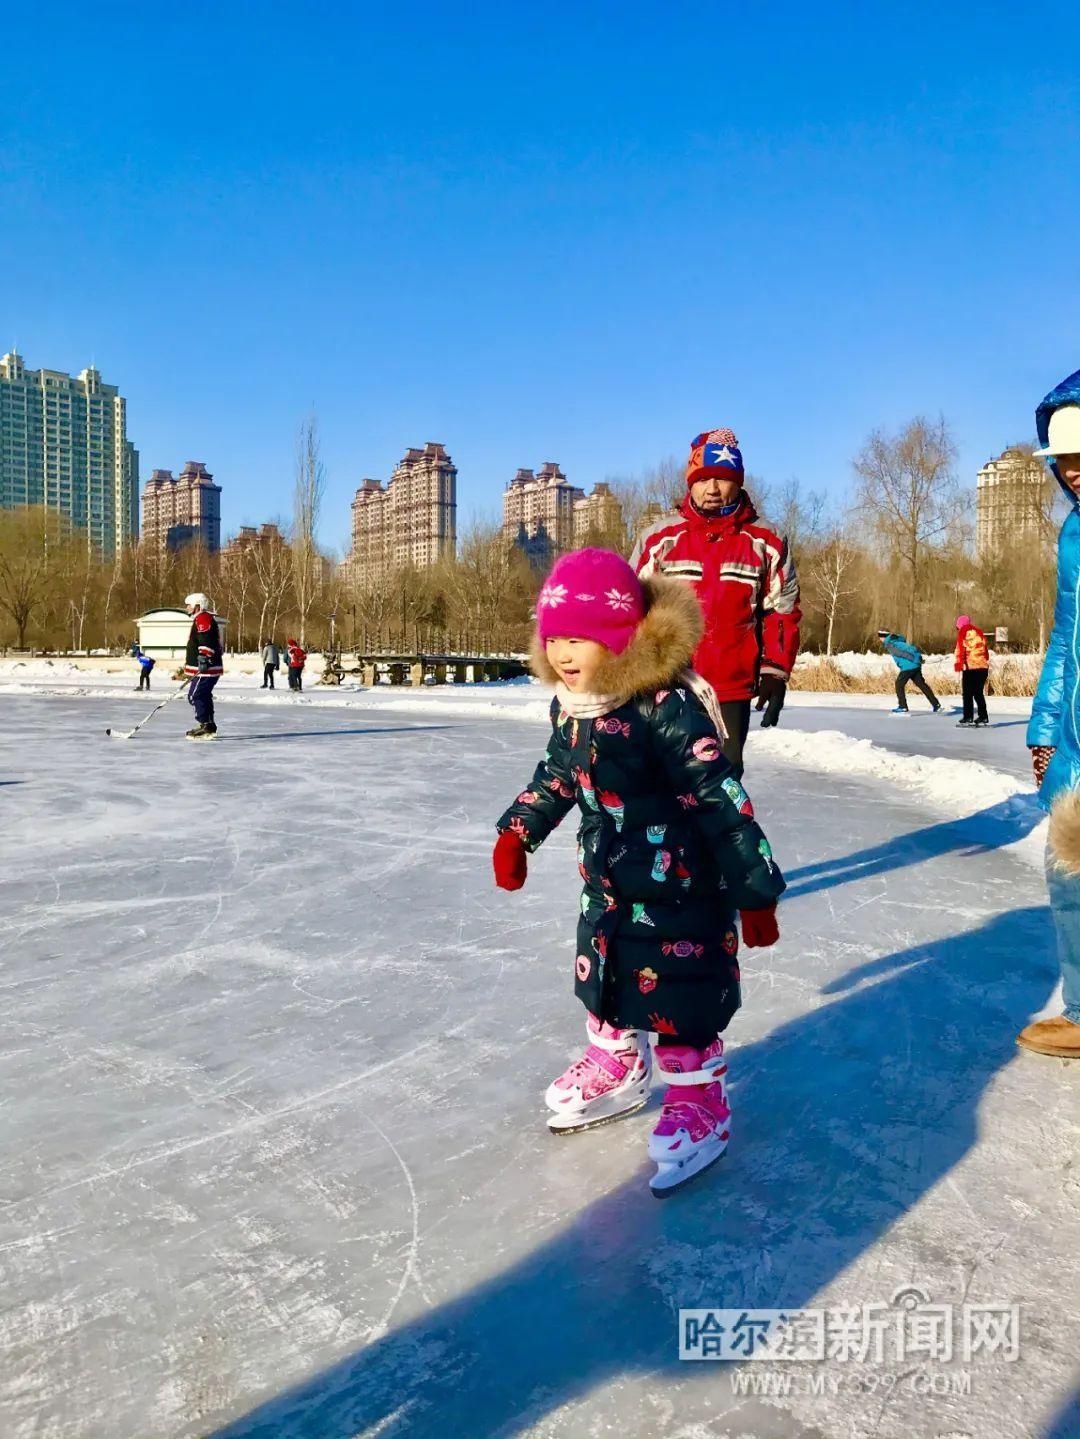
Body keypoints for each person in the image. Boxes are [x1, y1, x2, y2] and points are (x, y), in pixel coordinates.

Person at [493, 548, 785, 1195]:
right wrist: (518, 831)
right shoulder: (574, 705)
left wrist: (755, 891)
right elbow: (557, 776)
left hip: (682, 889)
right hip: (608, 883)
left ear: (621, 635)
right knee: (604, 979)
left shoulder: (665, 708)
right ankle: (617, 1061)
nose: (565, 653)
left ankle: (700, 1102)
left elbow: (721, 799)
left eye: (581, 637)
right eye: (556, 637)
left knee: (683, 1005)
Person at [631, 427, 801, 777]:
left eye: (722, 479)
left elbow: (781, 611)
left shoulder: (765, 540)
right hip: (665, 682)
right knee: (659, 783)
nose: (712, 489)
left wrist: (776, 672)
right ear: (689, 482)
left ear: (738, 482)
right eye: (703, 479)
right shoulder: (659, 539)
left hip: (730, 685)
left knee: (722, 786)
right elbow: (628, 608)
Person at [1021, 367, 1080, 1059]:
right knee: (1067, 873)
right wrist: (1042, 732)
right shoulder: (1073, 537)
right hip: (1075, 735)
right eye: (1066, 464)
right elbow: (1066, 638)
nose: (1075, 475)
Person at [183, 592, 224, 739]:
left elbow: (205, 639)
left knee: (196, 695)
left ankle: (205, 725)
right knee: (203, 695)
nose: (187, 608)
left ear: (197, 606)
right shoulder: (201, 618)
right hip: (206, 667)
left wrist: (204, 658)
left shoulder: (203, 618)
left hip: (207, 668)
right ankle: (208, 725)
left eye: (189, 605)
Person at [877, 630, 941, 714]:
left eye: (880, 637)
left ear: (883, 637)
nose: (879, 639)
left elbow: (902, 654)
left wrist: (914, 659)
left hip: (908, 666)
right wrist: (918, 659)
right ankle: (936, 704)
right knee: (921, 684)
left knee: (899, 684)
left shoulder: (890, 644)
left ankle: (903, 706)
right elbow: (912, 649)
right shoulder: (898, 641)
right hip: (915, 666)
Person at [954, 614, 989, 727]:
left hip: (971, 667)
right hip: (983, 667)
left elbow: (960, 650)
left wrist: (959, 665)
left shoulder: (963, 633)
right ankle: (983, 716)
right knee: (978, 693)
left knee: (967, 693)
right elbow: (985, 650)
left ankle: (968, 717)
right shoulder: (979, 633)